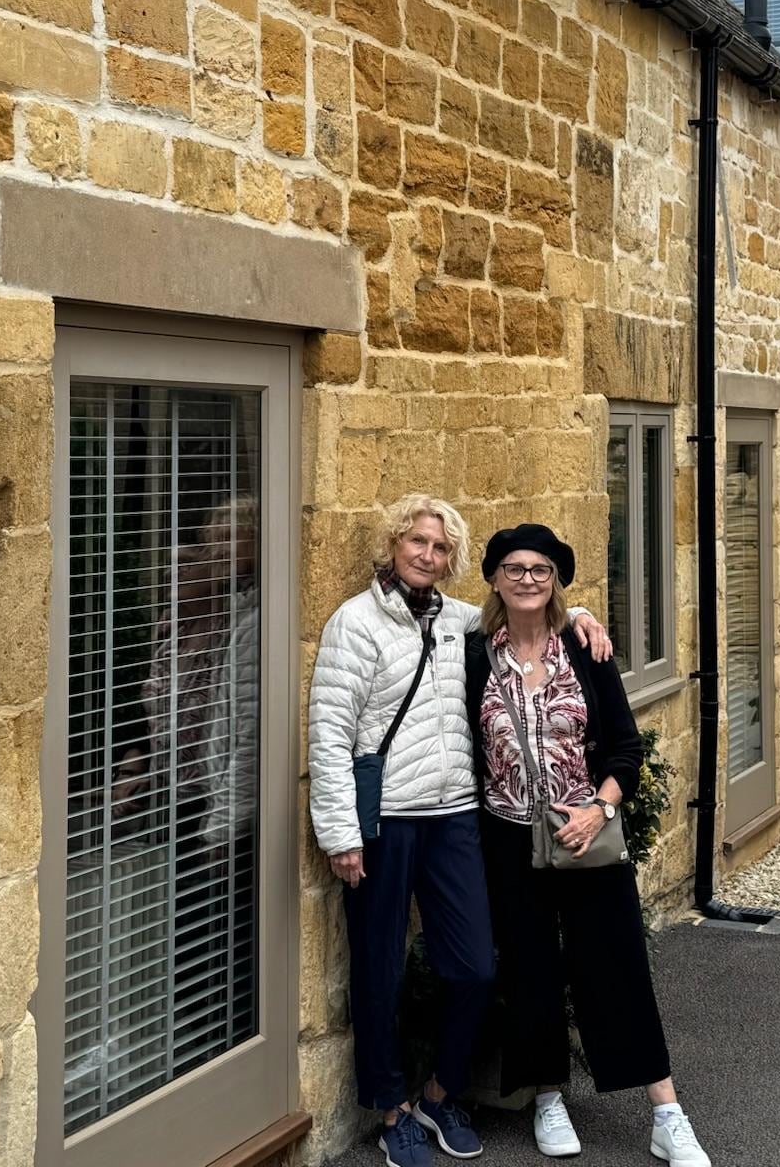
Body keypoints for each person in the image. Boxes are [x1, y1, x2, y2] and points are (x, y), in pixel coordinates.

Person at [308, 496, 612, 1167]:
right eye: (417, 541)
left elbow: (530, 613)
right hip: (384, 821)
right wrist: (341, 834)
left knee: (475, 965)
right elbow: (329, 734)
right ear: (393, 545)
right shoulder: (353, 625)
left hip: (454, 817)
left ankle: (440, 1093)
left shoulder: (463, 623)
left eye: (441, 548)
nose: (427, 555)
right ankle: (392, 1111)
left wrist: (581, 613)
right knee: (380, 969)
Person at [464, 524, 711, 1167]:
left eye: (541, 570)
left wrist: (600, 807)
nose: (527, 579)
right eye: (514, 568)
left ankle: (666, 1111)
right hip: (508, 839)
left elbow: (627, 750)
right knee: (530, 970)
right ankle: (547, 1097)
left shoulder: (584, 648)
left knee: (618, 964)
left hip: (587, 839)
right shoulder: (472, 654)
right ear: (493, 578)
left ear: (555, 582)